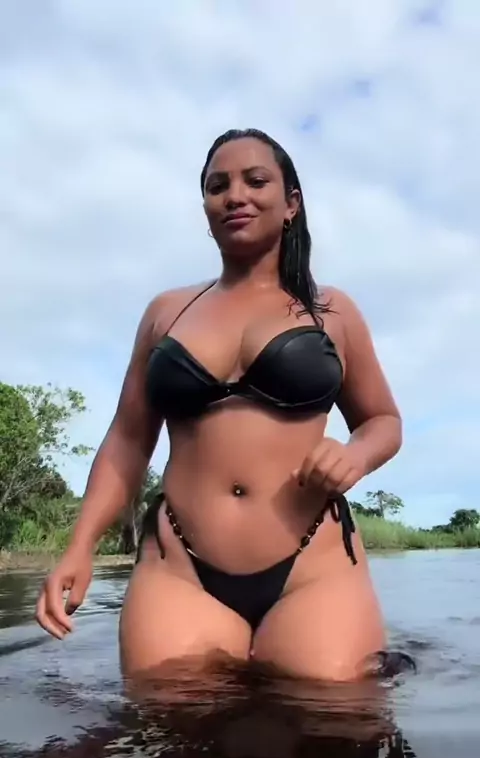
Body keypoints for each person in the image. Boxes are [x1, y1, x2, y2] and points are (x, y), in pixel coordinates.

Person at [35, 128, 402, 683]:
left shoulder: (332, 311)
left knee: (336, 713)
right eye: (217, 186)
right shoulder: (167, 312)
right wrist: (79, 546)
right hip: (180, 569)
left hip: (313, 568)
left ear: (291, 203)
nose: (235, 196)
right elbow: (129, 438)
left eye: (256, 181)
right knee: (172, 718)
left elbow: (383, 421)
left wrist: (356, 455)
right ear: (205, 207)